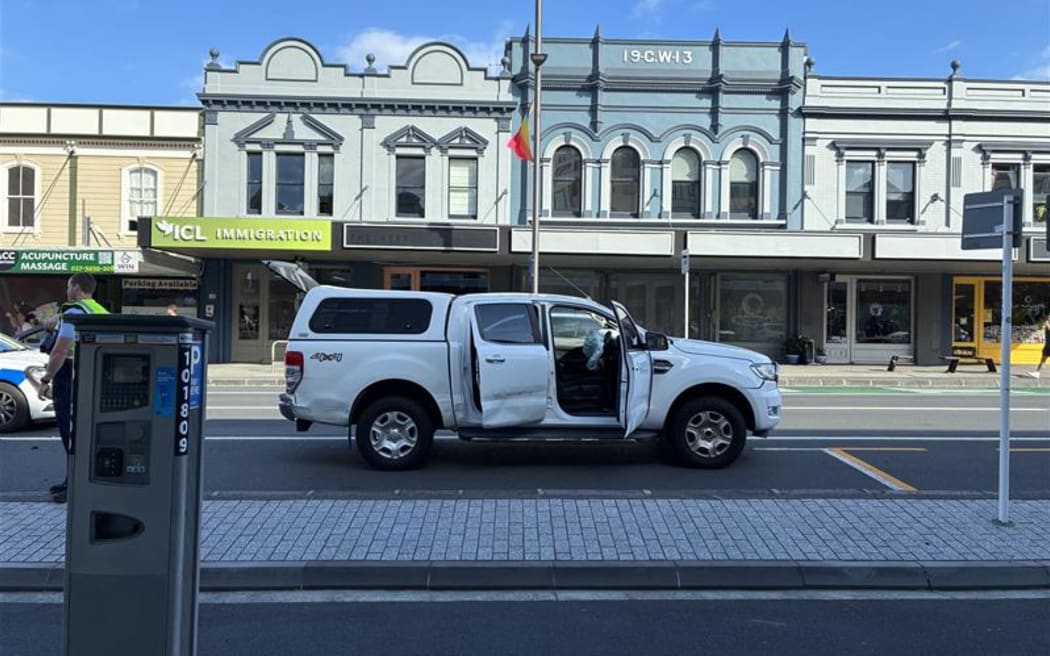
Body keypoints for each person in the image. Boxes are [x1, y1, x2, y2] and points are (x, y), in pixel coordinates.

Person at [36, 273, 109, 502]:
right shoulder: (99, 311)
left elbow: (60, 350)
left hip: (71, 375)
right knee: (87, 432)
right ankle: (77, 480)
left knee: (71, 432)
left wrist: (46, 379)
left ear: (76, 287)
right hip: (94, 375)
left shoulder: (74, 312)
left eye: (69, 286)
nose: (67, 291)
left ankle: (74, 486)